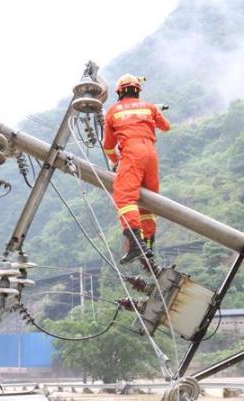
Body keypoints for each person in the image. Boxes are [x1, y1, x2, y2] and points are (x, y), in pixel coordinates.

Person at [103, 73, 171, 270]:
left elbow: (108, 146)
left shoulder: (113, 111)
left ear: (119, 92)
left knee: (124, 197)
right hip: (151, 155)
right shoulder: (149, 107)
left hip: (132, 154)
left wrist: (117, 162)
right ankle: (147, 248)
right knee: (147, 203)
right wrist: (155, 113)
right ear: (138, 90)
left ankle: (135, 243)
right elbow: (166, 127)